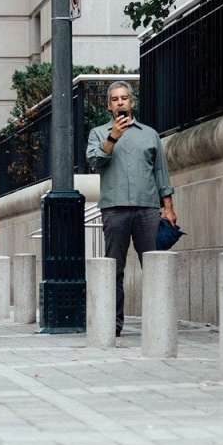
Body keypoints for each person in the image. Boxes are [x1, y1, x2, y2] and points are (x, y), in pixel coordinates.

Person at [86, 81, 176, 337]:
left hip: (147, 208)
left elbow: (161, 172)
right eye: (115, 99)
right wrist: (113, 136)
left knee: (154, 265)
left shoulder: (149, 134)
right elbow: (94, 161)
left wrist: (168, 207)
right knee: (114, 267)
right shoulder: (98, 133)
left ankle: (159, 320)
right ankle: (113, 322)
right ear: (108, 105)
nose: (120, 102)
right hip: (114, 209)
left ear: (132, 102)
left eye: (124, 98)